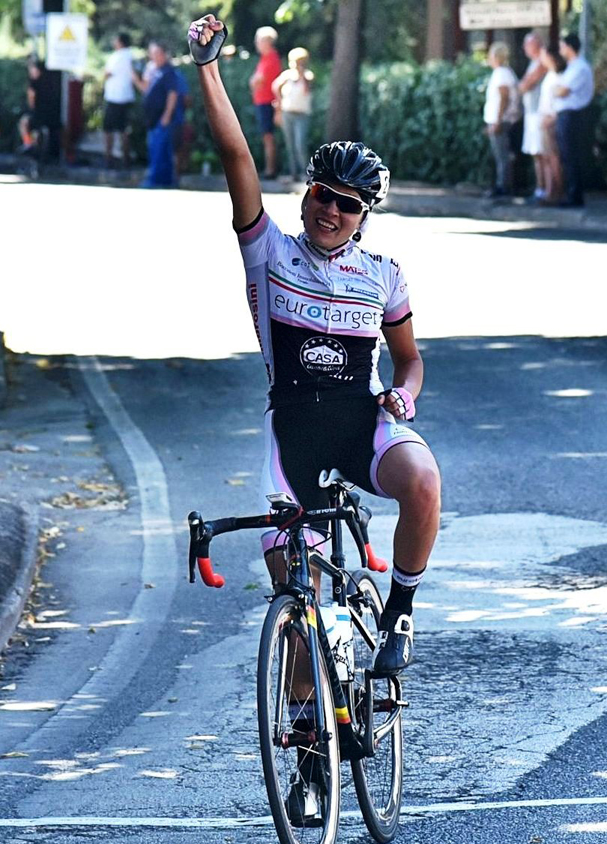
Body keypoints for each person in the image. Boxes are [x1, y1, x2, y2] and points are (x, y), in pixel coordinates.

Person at [188, 14, 441, 683]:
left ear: (364, 216)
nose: (331, 210)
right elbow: (238, 157)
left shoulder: (383, 273)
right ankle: (306, 739)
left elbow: (410, 358)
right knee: (300, 602)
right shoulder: (267, 251)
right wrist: (208, 67)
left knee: (424, 480)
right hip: (293, 432)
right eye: (323, 196)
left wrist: (404, 394)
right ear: (305, 195)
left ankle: (400, 612)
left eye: (348, 205)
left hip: (362, 419)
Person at [554, 33, 594, 208]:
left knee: (572, 155)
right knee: (567, 155)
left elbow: (562, 91)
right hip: (566, 114)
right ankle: (571, 192)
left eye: (562, 46)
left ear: (570, 47)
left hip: (573, 115)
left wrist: (556, 90)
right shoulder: (571, 67)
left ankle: (575, 194)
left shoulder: (579, 68)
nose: (560, 50)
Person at [140, 42, 185, 188]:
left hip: (163, 118)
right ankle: (161, 180)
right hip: (152, 118)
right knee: (155, 148)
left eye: (158, 53)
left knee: (160, 149)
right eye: (152, 53)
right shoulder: (153, 70)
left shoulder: (168, 72)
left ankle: (157, 180)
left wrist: (167, 115)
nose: (155, 56)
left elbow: (173, 94)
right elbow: (145, 89)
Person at [484, 42, 521, 198]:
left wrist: (498, 121)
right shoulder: (502, 72)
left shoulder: (502, 73)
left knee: (502, 155)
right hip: (498, 120)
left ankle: (503, 186)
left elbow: (503, 98)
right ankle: (502, 184)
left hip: (502, 120)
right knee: (501, 155)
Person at [271, 47, 314, 181]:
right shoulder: (287, 75)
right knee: (290, 144)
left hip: (302, 114)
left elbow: (307, 90)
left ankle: (306, 172)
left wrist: (301, 76)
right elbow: (275, 86)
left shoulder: (308, 75)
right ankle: (293, 173)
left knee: (300, 143)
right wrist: (279, 104)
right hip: (287, 113)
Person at [249, 26, 283, 179]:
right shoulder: (264, 59)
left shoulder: (272, 58)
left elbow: (258, 81)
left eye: (259, 40)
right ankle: (269, 169)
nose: (256, 43)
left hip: (268, 102)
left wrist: (255, 82)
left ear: (267, 41)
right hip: (261, 101)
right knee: (266, 137)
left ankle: (271, 170)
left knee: (268, 137)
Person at [518, 32, 546, 201]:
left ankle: (545, 189)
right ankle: (539, 188)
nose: (524, 48)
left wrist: (524, 84)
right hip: (531, 113)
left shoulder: (541, 62)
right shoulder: (532, 63)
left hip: (538, 113)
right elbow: (522, 85)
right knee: (536, 154)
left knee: (542, 153)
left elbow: (526, 84)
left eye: (527, 44)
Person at [538, 44, 566, 205]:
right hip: (544, 118)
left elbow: (559, 101)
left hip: (551, 120)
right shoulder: (550, 75)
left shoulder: (558, 77)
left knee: (554, 157)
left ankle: (557, 190)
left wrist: (552, 117)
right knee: (547, 157)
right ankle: (549, 191)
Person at [102, 33, 135, 168]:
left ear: (120, 42)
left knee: (108, 129)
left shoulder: (117, 56)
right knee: (123, 129)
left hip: (115, 97)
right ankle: (125, 158)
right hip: (126, 96)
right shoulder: (130, 55)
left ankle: (109, 159)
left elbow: (107, 73)